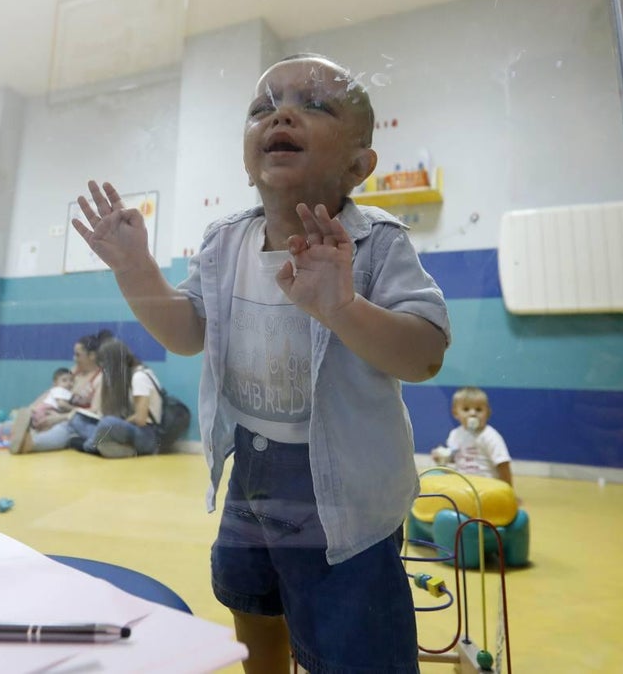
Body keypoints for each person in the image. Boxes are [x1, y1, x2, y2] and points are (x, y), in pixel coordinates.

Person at [70, 53, 450, 672]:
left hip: (347, 493)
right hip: (250, 468)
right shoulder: (225, 241)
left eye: (314, 104)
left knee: (353, 635)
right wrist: (135, 269)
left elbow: (425, 354)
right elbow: (187, 332)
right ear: (247, 158)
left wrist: (344, 307)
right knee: (252, 604)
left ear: (359, 165)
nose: (282, 115)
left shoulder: (378, 241)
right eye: (263, 108)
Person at [12, 338, 163, 458]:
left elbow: (140, 419)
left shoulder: (139, 376)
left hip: (147, 437)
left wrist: (118, 424)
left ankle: (90, 446)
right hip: (130, 433)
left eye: (105, 364)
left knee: (107, 423)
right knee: (77, 419)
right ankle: (112, 447)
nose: (104, 368)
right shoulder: (127, 377)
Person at [0, 329, 110, 445]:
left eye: (78, 355)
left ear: (92, 356)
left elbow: (95, 412)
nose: (74, 358)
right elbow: (52, 392)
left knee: (62, 430)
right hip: (50, 415)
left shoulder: (100, 378)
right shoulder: (74, 372)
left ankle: (31, 444)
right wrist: (32, 408)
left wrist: (59, 418)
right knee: (16, 424)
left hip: (69, 423)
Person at [431, 386, 513, 488]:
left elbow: (503, 464)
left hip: (486, 486)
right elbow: (457, 457)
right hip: (462, 483)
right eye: (466, 409)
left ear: (488, 413)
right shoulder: (455, 434)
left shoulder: (490, 436)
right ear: (455, 413)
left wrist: (508, 490)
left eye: (478, 409)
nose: (473, 413)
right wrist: (442, 457)